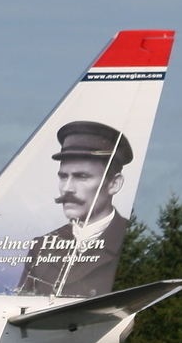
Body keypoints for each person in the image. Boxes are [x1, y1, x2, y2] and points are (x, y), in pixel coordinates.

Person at [16, 120, 131, 297]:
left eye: (82, 177)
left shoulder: (130, 242)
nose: (67, 188)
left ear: (114, 184)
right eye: (63, 177)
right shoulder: (42, 247)